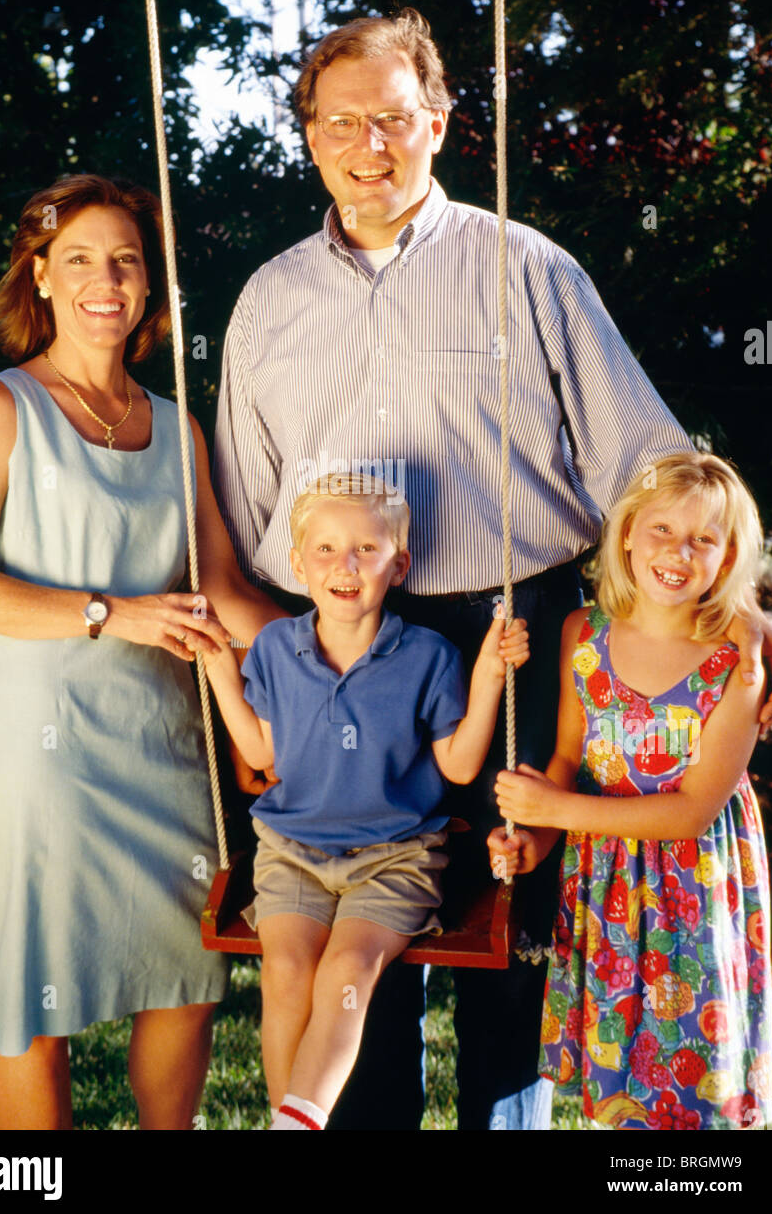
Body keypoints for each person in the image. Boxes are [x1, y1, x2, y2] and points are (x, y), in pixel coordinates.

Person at [212, 8, 772, 1130]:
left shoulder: (522, 267)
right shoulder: (265, 304)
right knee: (355, 930)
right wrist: (260, 691)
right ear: (309, 136)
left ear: (437, 121)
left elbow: (649, 462)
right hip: (343, 648)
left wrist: (754, 610)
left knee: (514, 916)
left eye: (392, 118)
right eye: (342, 123)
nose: (367, 145)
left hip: (512, 631)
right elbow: (249, 513)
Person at [0, 174, 284, 1130]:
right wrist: (110, 613)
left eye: (125, 260)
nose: (104, 279)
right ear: (39, 277)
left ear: (148, 287)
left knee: (188, 980)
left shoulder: (177, 430)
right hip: (45, 759)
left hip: (167, 752)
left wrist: (345, 648)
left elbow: (229, 591)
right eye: (78, 259)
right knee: (35, 1002)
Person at [201, 473, 529, 1129]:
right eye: (323, 549)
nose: (343, 566)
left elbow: (459, 763)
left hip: (394, 859)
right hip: (292, 853)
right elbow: (263, 755)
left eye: (365, 550)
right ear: (297, 565)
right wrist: (215, 666)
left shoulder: (427, 656)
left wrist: (489, 673)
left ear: (397, 564)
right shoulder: (273, 649)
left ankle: (298, 1119)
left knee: (347, 971)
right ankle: (286, 1118)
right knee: (287, 972)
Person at [490, 452, 772, 1129]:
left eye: (703, 539)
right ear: (624, 534)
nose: (678, 553)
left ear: (727, 554)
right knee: (620, 1083)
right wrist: (533, 839)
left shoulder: (736, 664)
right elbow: (564, 756)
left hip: (692, 891)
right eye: (662, 530)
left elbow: (689, 813)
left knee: (691, 1073)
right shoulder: (581, 635)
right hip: (604, 888)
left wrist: (554, 809)